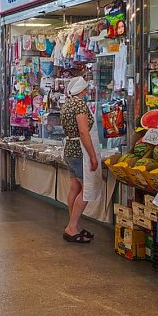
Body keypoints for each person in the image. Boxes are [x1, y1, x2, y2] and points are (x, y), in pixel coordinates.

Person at [59, 76, 98, 243]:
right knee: (88, 188)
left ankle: (74, 225)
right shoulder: (80, 105)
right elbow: (83, 131)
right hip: (79, 152)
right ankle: (72, 227)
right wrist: (93, 155)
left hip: (69, 149)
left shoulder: (67, 104)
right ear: (83, 91)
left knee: (75, 186)